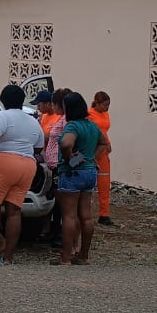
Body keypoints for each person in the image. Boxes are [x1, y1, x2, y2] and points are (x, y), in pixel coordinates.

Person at [0, 84, 45, 266]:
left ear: (3, 100)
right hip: (27, 164)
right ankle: (8, 258)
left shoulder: (2, 116)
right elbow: (38, 146)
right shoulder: (32, 121)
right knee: (14, 212)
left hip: (4, 162)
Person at [55, 92, 109, 266]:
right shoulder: (92, 125)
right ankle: (83, 256)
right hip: (90, 173)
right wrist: (92, 157)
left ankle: (66, 258)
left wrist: (70, 158)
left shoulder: (72, 126)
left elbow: (66, 144)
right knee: (86, 216)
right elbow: (105, 144)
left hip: (73, 173)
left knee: (69, 216)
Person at [34, 90, 65, 248]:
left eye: (40, 104)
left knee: (59, 199)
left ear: (49, 104)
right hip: (47, 161)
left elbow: (49, 137)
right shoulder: (44, 116)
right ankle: (46, 229)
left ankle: (58, 232)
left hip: (59, 163)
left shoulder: (60, 118)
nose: (38, 108)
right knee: (48, 194)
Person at [90, 91, 115, 227]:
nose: (107, 108)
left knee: (104, 183)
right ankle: (85, 212)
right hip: (92, 150)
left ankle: (104, 214)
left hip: (103, 151)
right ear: (97, 103)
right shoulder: (89, 114)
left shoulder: (105, 114)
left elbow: (104, 131)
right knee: (88, 182)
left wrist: (108, 143)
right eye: (105, 105)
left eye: (108, 105)